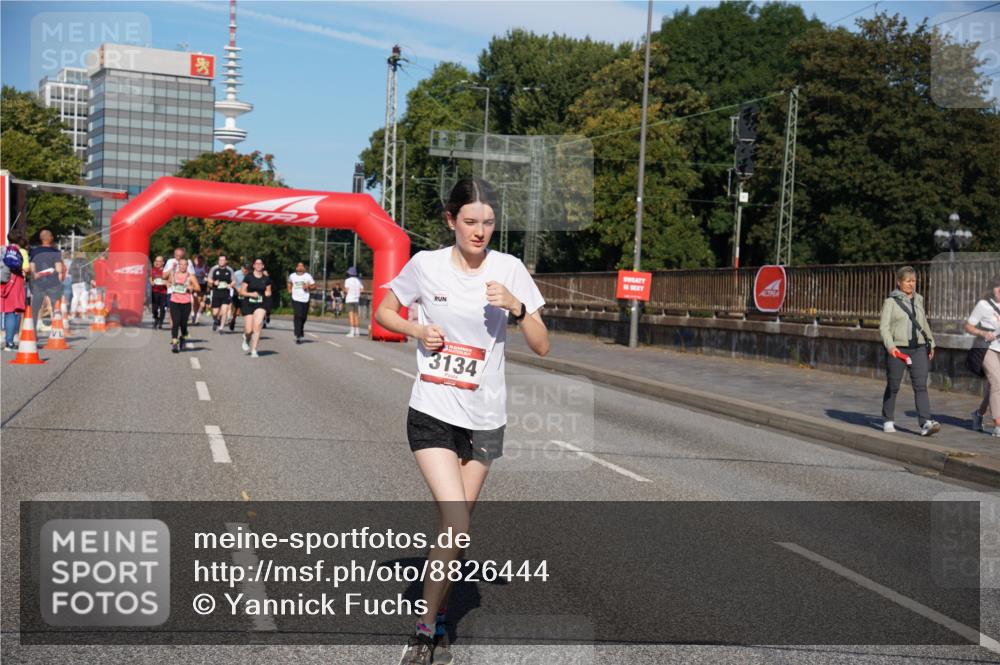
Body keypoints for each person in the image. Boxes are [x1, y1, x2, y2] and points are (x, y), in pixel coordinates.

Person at [375, 179, 549, 665]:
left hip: (485, 419)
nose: (480, 232)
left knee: (454, 529)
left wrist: (516, 308)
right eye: (470, 222)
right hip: (432, 409)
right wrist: (417, 328)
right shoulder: (426, 265)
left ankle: (439, 609)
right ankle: (426, 631)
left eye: (488, 223)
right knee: (455, 519)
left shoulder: (509, 269)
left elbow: (542, 344)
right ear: (451, 220)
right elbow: (385, 310)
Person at [879, 265, 939, 436]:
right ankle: (888, 418)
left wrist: (931, 343)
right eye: (908, 281)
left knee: (921, 386)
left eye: (913, 281)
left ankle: (925, 422)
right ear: (899, 282)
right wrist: (891, 347)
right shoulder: (890, 302)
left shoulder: (919, 300)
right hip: (898, 350)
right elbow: (884, 327)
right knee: (893, 385)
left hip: (918, 349)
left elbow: (924, 323)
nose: (911, 284)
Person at [966, 275, 1000, 437]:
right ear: (992, 289)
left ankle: (978, 414)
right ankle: (998, 425)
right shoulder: (983, 305)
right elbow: (969, 326)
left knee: (994, 386)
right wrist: (983, 332)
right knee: (997, 381)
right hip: (987, 348)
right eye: (997, 286)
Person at [28, 229, 65, 330]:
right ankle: (56, 332)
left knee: (35, 309)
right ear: (51, 238)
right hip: (52, 284)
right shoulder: (56, 252)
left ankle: (33, 333)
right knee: (55, 308)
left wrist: (35, 276)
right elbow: (59, 269)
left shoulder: (34, 252)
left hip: (38, 284)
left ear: (40, 239)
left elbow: (32, 268)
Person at [164, 257, 200, 353]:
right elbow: (167, 282)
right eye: (181, 264)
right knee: (175, 323)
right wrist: (167, 284)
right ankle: (175, 343)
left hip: (186, 303)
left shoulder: (190, 276)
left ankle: (183, 337)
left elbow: (198, 288)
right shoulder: (174, 275)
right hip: (174, 301)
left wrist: (191, 287)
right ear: (178, 265)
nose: (183, 266)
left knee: (183, 324)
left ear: (187, 266)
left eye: (185, 264)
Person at [2, 231, 30, 350]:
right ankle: (9, 342)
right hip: (15, 282)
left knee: (4, 310)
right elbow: (25, 268)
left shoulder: (3, 250)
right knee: (13, 312)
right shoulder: (21, 252)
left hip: (3, 282)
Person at [239, 257, 272, 358]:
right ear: (253, 266)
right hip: (248, 303)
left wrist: (267, 294)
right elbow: (241, 292)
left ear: (263, 266)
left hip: (261, 304)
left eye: (260, 264)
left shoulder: (266, 279)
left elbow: (268, 291)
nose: (258, 265)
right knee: (249, 330)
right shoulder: (248, 277)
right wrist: (251, 294)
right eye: (256, 263)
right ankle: (246, 338)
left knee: (257, 325)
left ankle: (254, 350)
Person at [288, 261, 315, 343]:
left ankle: (300, 329)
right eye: (298, 266)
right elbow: (289, 282)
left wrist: (308, 286)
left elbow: (314, 286)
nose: (300, 267)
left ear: (304, 268)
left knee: (304, 317)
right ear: (296, 268)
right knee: (298, 315)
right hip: (295, 298)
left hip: (305, 298)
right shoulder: (292, 276)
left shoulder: (308, 276)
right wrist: (289, 289)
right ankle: (298, 334)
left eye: (301, 266)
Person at [207, 255, 235, 334]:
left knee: (225, 310)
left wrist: (231, 285)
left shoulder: (229, 270)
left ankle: (221, 328)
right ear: (218, 261)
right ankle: (216, 320)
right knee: (215, 313)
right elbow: (209, 278)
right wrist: (213, 282)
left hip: (225, 293)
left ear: (226, 261)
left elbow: (233, 280)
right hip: (216, 292)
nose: (221, 261)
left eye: (223, 260)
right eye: (220, 260)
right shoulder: (214, 269)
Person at [69, 252, 93, 320]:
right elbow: (89, 272)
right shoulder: (86, 262)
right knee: (83, 298)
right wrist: (90, 280)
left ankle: (72, 314)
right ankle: (84, 315)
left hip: (75, 282)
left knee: (75, 297)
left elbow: (70, 272)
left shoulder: (73, 263)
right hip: (84, 282)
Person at [149, 255, 168, 330]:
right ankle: (156, 318)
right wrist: (151, 282)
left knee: (162, 308)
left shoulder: (165, 271)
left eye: (159, 261)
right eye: (156, 261)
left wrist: (165, 282)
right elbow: (150, 277)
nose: (157, 263)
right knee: (154, 308)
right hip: (154, 291)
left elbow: (170, 280)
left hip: (163, 292)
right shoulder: (152, 269)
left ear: (163, 262)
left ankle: (160, 322)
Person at [344, 266, 364, 337]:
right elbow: (362, 290)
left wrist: (345, 292)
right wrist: (357, 293)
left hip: (349, 299)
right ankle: (357, 331)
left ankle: (352, 332)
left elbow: (346, 290)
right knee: (356, 316)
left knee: (351, 315)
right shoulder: (359, 280)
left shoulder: (347, 280)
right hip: (356, 299)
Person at [229, 262, 248, 332]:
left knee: (245, 310)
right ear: (242, 268)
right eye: (244, 268)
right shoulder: (236, 274)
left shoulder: (249, 274)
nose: (245, 270)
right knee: (237, 311)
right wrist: (237, 289)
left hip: (245, 294)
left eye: (247, 269)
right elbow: (232, 284)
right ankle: (233, 320)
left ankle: (247, 326)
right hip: (236, 293)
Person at [190, 255, 208, 325]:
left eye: (201, 260)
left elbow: (208, 276)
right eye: (198, 260)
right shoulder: (193, 268)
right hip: (195, 285)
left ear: (202, 261)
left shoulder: (205, 267)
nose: (199, 262)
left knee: (201, 303)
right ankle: (194, 316)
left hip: (203, 286)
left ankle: (197, 317)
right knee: (195, 302)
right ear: (196, 261)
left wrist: (205, 275)